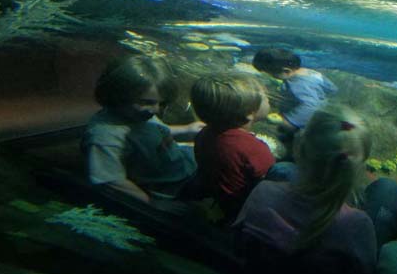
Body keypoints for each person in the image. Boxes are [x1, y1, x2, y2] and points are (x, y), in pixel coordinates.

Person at [234, 106, 397, 274]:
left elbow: (239, 238)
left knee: (282, 170)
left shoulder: (263, 192)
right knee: (389, 189)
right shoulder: (357, 224)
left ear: (300, 150)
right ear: (358, 166)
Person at [82, 54, 203, 204]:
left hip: (181, 162)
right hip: (175, 186)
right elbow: (109, 179)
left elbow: (153, 131)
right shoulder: (106, 135)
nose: (155, 110)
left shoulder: (137, 114)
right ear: (118, 94)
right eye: (147, 102)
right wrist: (149, 204)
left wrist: (186, 129)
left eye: (162, 103)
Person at [190, 73, 297, 220]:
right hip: (243, 205)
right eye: (265, 97)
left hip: (220, 196)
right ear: (249, 114)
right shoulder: (251, 147)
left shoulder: (205, 133)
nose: (269, 98)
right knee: (286, 169)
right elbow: (270, 178)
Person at [252, 48, 338, 132]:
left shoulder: (299, 84)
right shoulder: (310, 72)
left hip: (307, 122)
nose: (270, 76)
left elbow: (310, 105)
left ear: (286, 71)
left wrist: (289, 121)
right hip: (320, 108)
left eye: (271, 74)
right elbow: (332, 89)